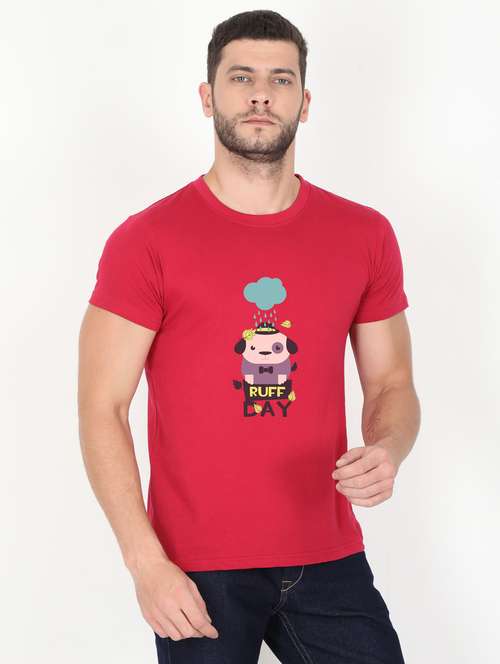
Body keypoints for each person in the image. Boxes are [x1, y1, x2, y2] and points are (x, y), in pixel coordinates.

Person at [78, 9, 420, 663]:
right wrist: (145, 562)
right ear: (208, 97)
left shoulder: (364, 235)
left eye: (280, 79)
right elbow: (103, 407)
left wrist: (389, 447)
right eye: (241, 78)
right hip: (197, 566)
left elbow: (392, 383)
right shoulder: (146, 241)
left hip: (329, 555)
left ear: (305, 102)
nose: (261, 94)